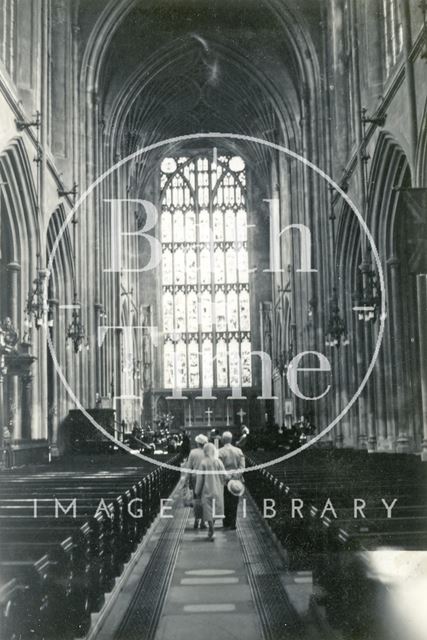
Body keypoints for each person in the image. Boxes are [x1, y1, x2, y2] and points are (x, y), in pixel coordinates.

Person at [195, 442, 227, 541]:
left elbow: (200, 478)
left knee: (207, 509)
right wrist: (223, 483)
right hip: (218, 489)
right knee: (215, 510)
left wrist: (197, 491)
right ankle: (212, 526)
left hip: (207, 489)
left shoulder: (203, 462)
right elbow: (224, 476)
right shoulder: (218, 462)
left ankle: (211, 529)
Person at [218, 431, 245, 530]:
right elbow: (242, 467)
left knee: (225, 501)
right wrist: (235, 475)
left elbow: (219, 468)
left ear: (223, 440)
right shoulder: (238, 451)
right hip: (236, 481)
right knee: (234, 502)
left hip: (224, 481)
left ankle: (226, 523)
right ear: (231, 439)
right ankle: (233, 523)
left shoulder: (219, 452)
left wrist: (227, 476)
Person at [185, 434, 208, 529]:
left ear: (198, 443)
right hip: (206, 477)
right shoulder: (208, 452)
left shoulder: (193, 452)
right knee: (205, 499)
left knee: (196, 498)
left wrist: (186, 480)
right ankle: (203, 521)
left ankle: (196, 520)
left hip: (195, 477)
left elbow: (189, 467)